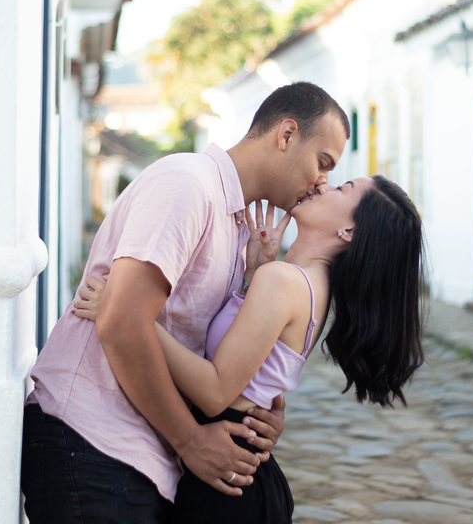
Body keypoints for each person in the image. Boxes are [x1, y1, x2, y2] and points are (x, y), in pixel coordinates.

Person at [21, 82, 351, 524]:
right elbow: (120, 322)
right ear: (286, 135)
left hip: (143, 457)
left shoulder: (239, 226)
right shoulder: (187, 185)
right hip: (92, 441)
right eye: (322, 163)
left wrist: (258, 414)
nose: (321, 183)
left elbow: (203, 353)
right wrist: (191, 440)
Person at [73, 174, 426, 523]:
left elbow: (214, 391)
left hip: (226, 479)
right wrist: (252, 276)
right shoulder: (303, 283)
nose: (323, 184)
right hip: (239, 471)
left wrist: (130, 312)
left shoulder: (285, 282)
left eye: (342, 188)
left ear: (348, 232)